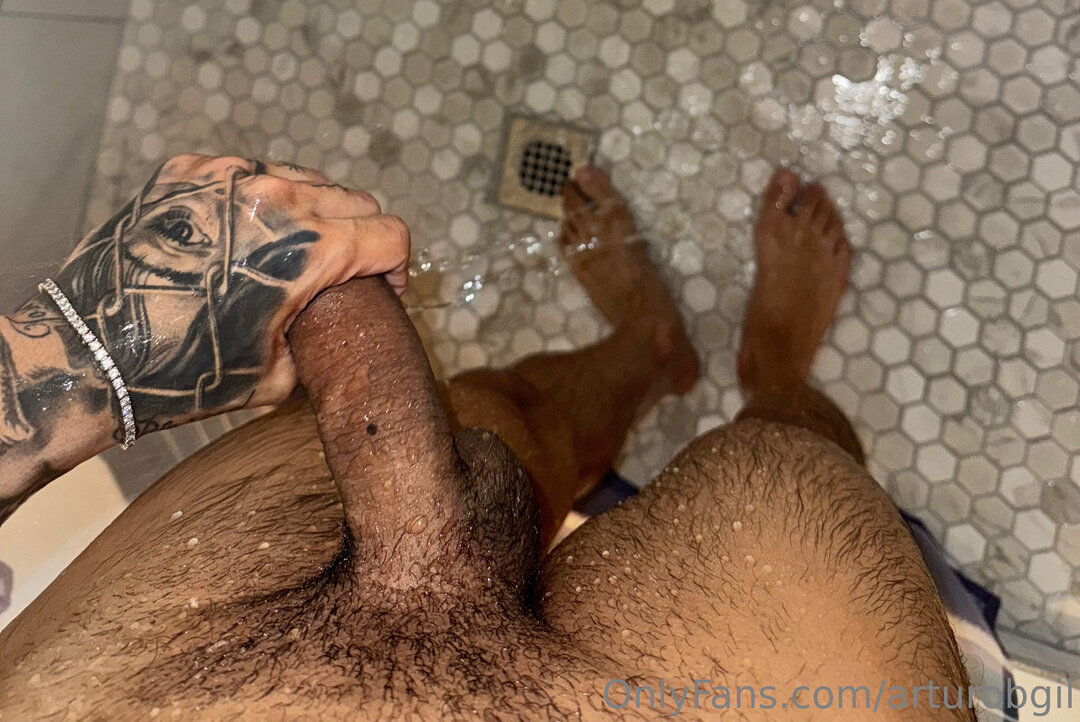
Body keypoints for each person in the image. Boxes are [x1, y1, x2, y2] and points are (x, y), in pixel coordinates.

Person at [0, 153, 980, 720]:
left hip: (144, 684)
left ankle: (647, 352)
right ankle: (777, 377)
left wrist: (69, 364)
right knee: (790, 473)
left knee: (491, 421)